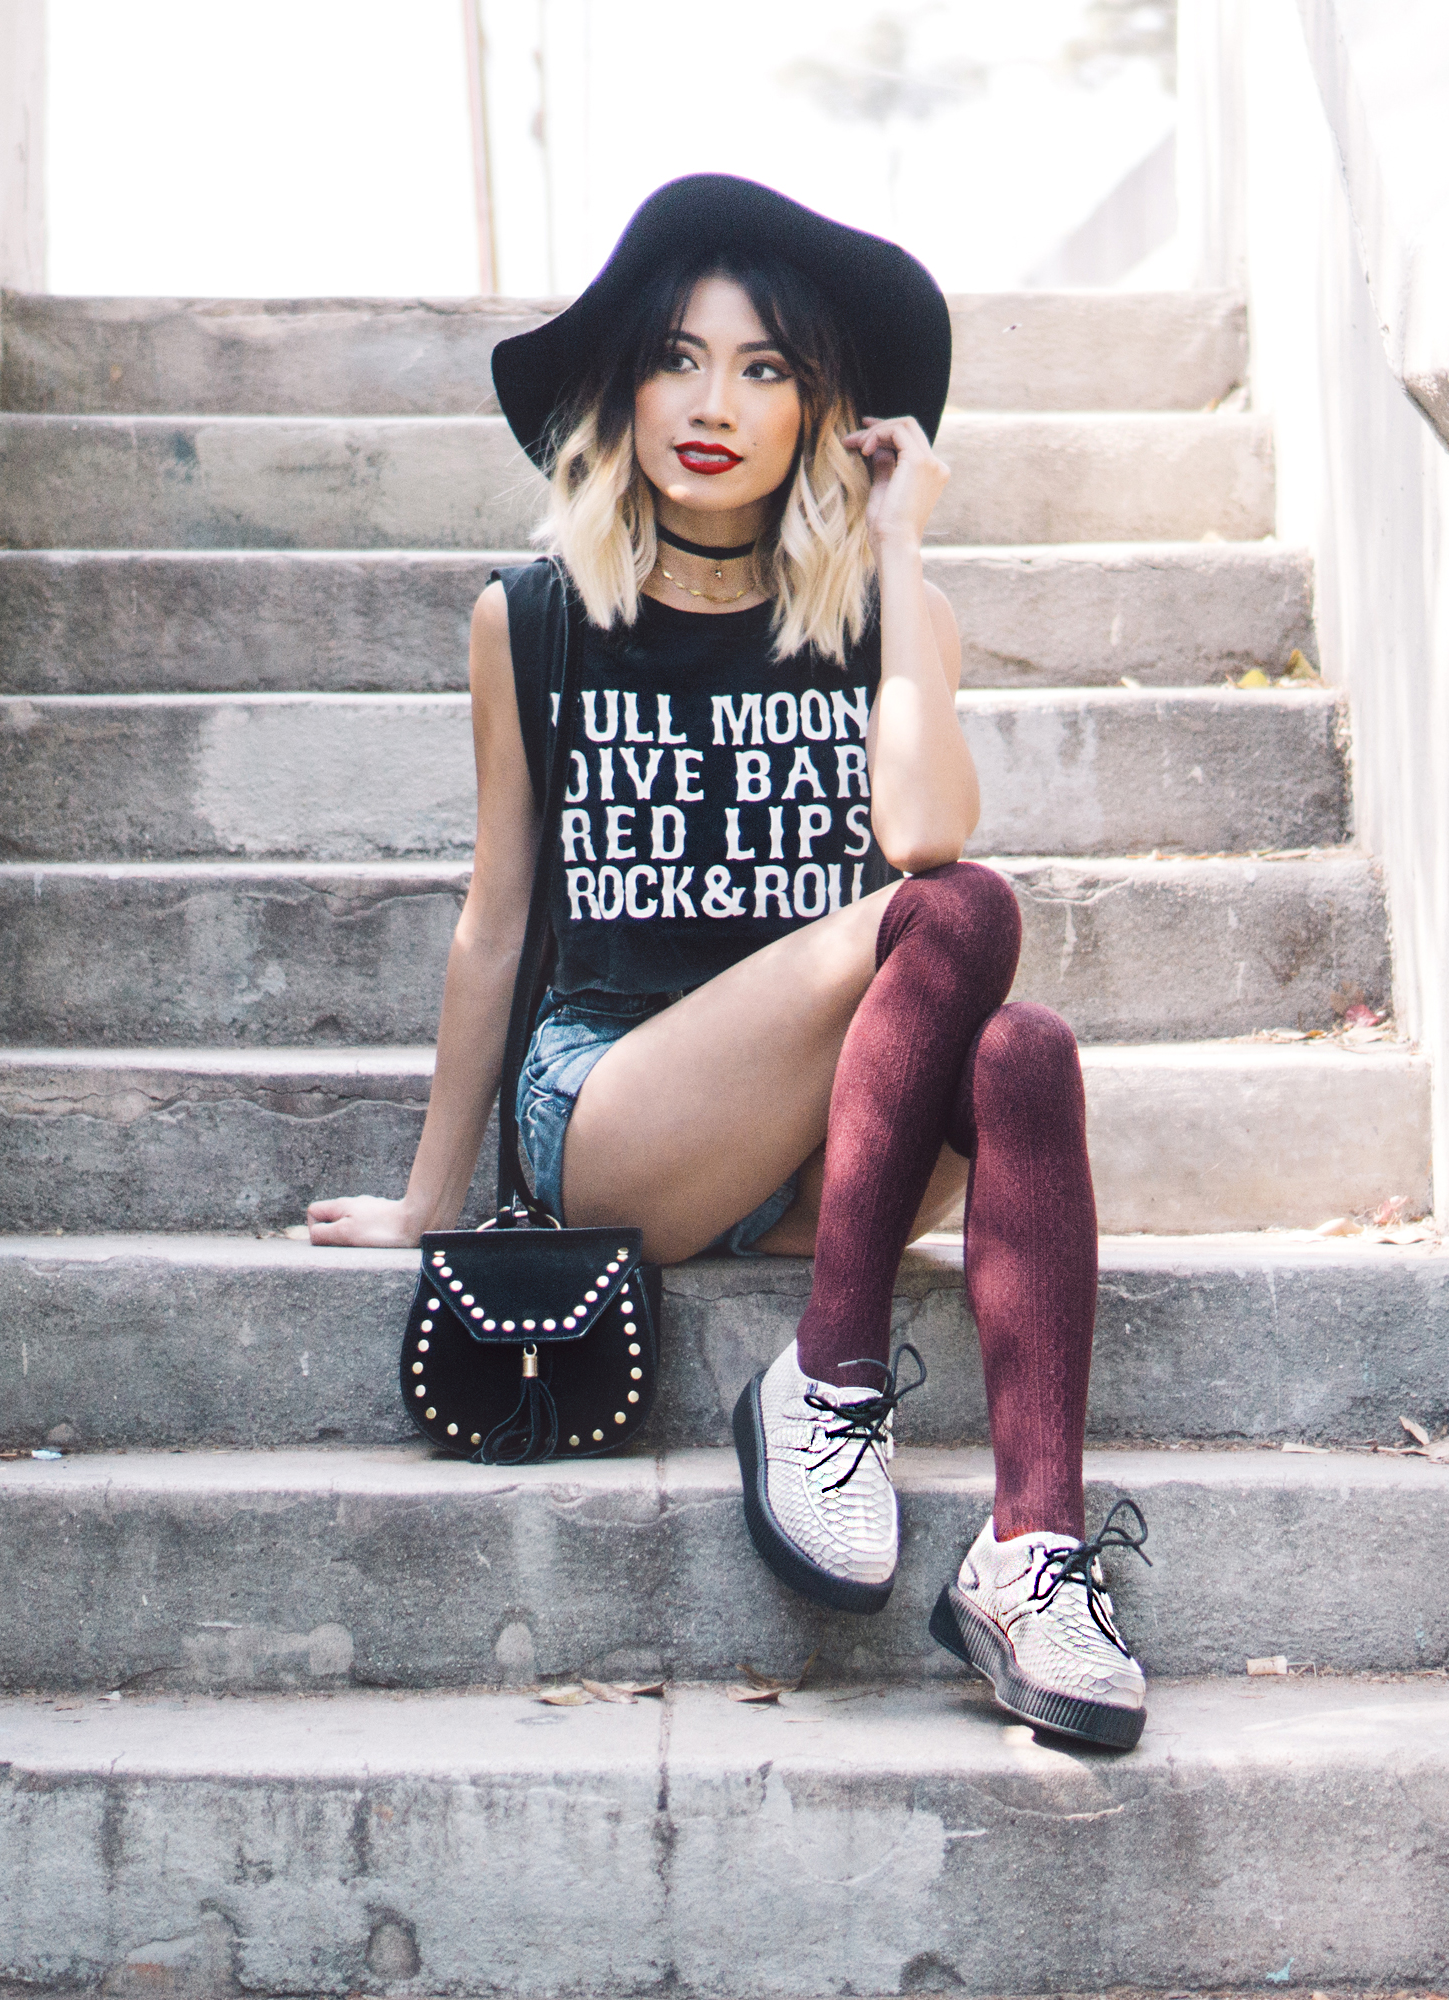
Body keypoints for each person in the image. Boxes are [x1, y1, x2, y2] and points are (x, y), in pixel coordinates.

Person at [310, 174, 1150, 1750]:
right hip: (622, 1110)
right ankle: (829, 1389)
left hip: (842, 1151)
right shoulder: (537, 622)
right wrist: (432, 1196)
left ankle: (1033, 1555)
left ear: (826, 413)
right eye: (679, 359)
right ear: (620, 387)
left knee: (1020, 1047)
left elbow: (919, 827)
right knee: (964, 917)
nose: (714, 404)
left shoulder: (895, 618)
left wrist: (900, 557)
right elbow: (497, 919)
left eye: (765, 369)